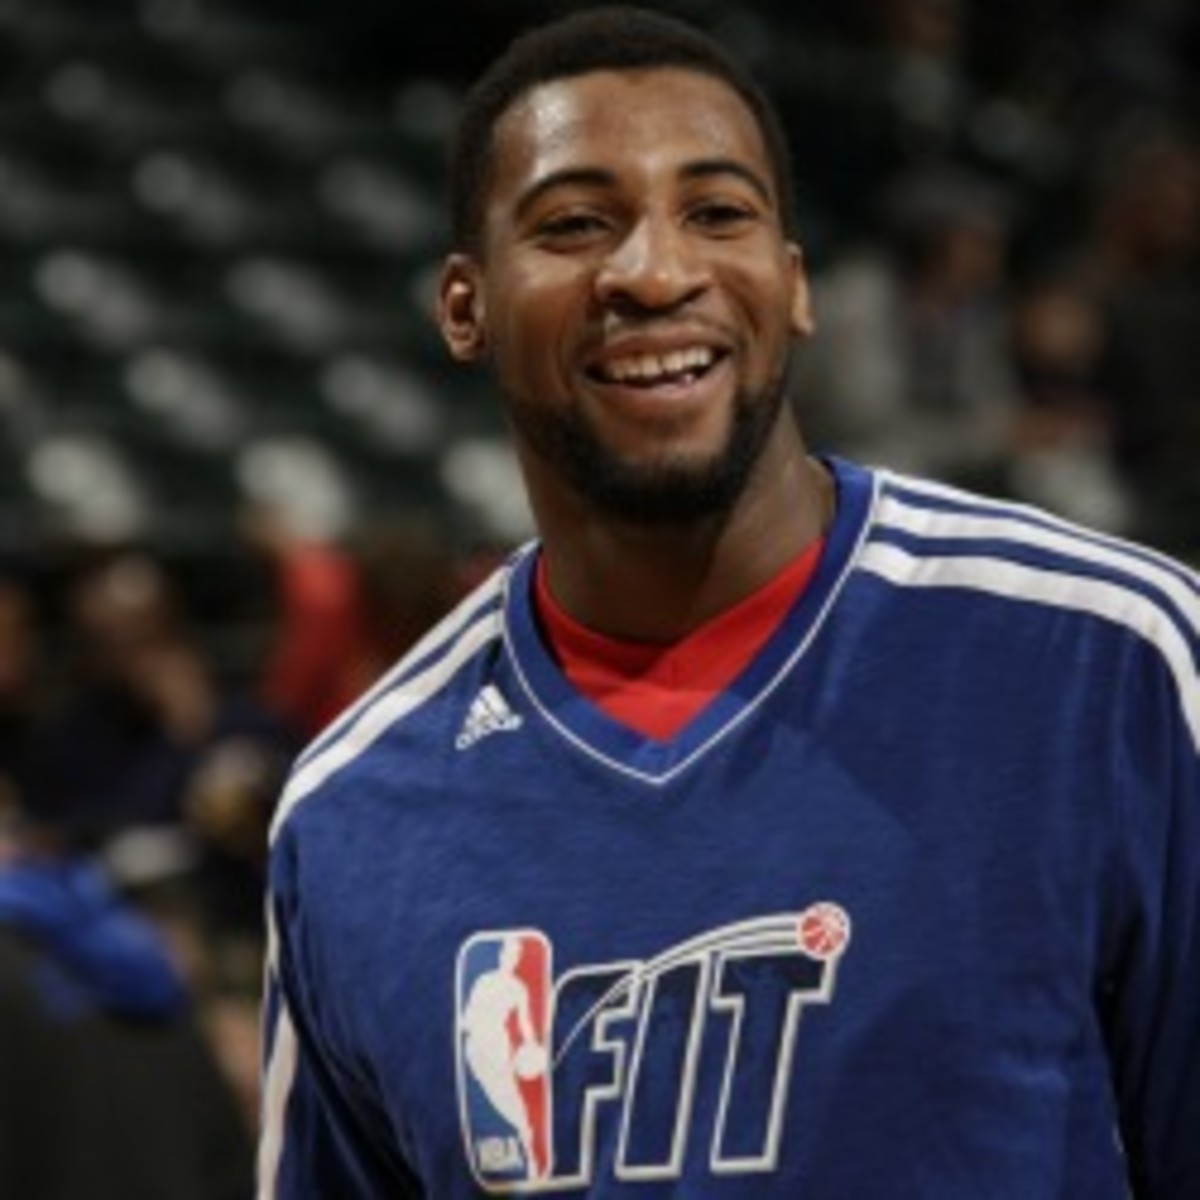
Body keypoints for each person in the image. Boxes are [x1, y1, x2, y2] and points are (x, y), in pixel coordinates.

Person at [258, 7, 1199, 1197]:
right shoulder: (354, 818)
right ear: (465, 306)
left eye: (718, 213)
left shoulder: (1111, 669)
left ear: (792, 284)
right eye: (574, 224)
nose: (655, 271)